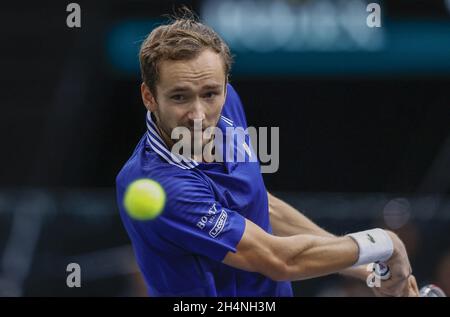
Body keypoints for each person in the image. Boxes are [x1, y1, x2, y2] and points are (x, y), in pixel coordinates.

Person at [115, 9, 419, 297]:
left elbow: (262, 206)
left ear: (224, 85)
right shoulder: (162, 184)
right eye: (180, 96)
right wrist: (384, 243)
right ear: (149, 96)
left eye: (210, 94)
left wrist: (365, 268)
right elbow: (278, 260)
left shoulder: (227, 106)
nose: (198, 115)